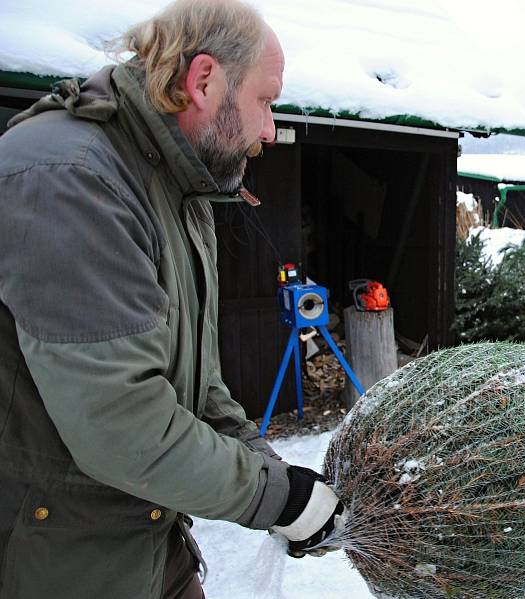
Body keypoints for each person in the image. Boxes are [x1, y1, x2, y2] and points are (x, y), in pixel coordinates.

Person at [0, 2, 346, 598]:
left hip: (148, 543)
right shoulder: (73, 181)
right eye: (264, 102)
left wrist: (276, 474)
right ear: (204, 80)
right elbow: (121, 425)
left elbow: (198, 386)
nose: (269, 131)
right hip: (60, 562)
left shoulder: (180, 193)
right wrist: (276, 499)